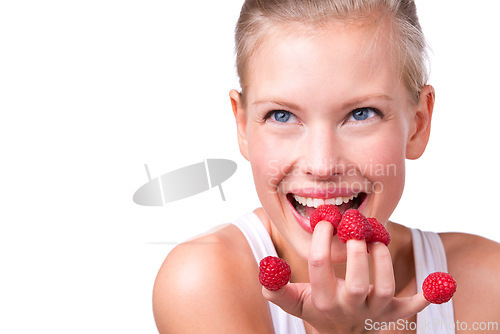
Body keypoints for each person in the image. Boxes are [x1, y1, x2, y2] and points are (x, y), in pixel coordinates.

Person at [152, 0, 500, 333]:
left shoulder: (487, 282)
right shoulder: (202, 282)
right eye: (282, 115)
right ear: (243, 128)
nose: (322, 165)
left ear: (419, 124)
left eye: (361, 114)